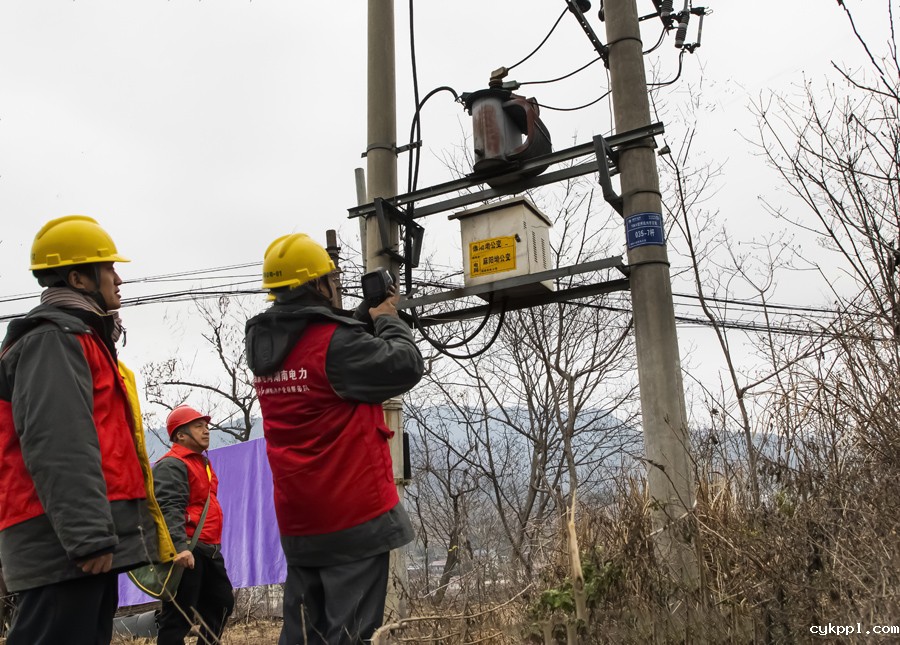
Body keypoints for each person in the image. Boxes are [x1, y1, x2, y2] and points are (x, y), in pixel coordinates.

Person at [0, 215, 176, 645]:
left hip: (73, 542)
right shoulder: (53, 340)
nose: (118, 278)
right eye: (108, 268)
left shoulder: (81, 337)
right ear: (78, 278)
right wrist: (87, 538)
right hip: (63, 545)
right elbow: (58, 444)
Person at [245, 233, 424, 645]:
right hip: (352, 518)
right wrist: (387, 319)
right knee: (349, 635)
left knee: (304, 636)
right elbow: (405, 365)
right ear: (320, 285)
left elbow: (321, 356)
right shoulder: (337, 345)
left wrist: (360, 317)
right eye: (333, 281)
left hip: (300, 520)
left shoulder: (266, 345)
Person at [152, 405, 234, 645]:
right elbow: (169, 507)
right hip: (188, 548)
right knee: (179, 615)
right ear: (180, 435)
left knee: (221, 604)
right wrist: (180, 547)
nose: (206, 431)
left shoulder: (202, 464)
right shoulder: (171, 464)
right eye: (198, 426)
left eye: (206, 426)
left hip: (209, 548)